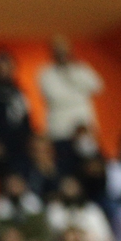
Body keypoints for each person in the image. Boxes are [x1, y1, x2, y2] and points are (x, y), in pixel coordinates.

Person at [37, 35, 103, 174]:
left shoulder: (81, 69)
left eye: (64, 50)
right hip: (60, 132)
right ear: (52, 52)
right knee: (64, 170)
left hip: (84, 130)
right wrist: (81, 93)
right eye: (58, 51)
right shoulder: (46, 73)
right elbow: (55, 98)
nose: (62, 54)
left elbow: (98, 86)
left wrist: (73, 74)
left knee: (90, 169)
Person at [0, 51, 33, 181]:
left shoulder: (19, 92)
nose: (4, 71)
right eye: (0, 68)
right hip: (1, 149)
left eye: (7, 67)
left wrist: (31, 142)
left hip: (21, 148)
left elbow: (26, 118)